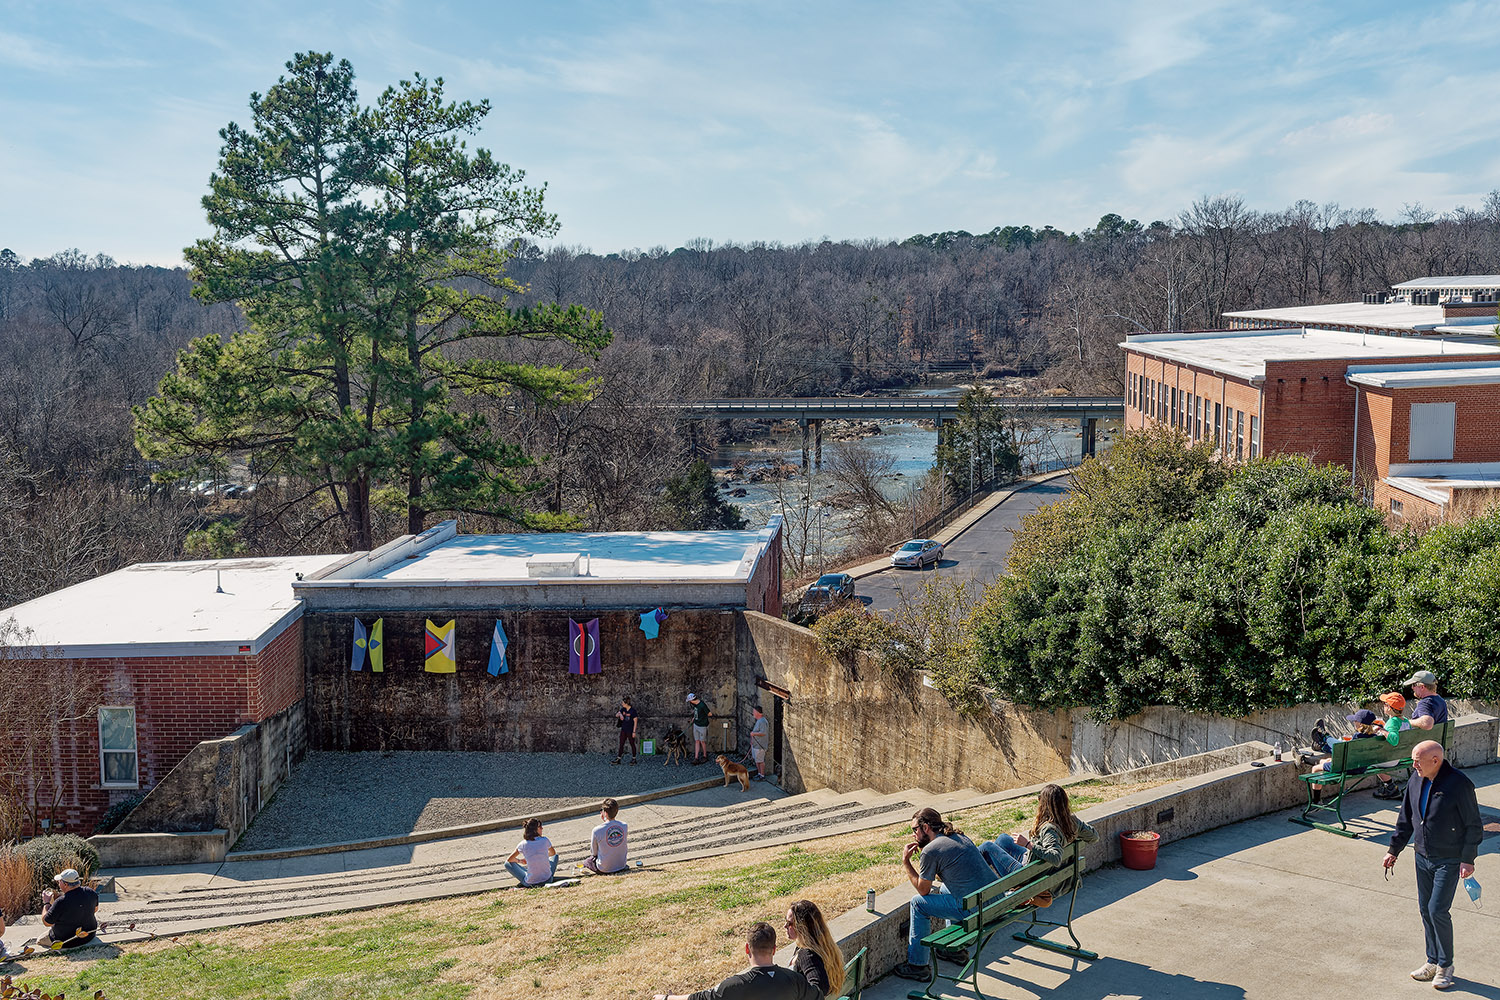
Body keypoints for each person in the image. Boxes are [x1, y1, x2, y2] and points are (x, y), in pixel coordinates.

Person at [1383, 741, 1482, 991]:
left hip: (1449, 859)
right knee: (1425, 910)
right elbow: (1406, 819)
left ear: (1435, 760)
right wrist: (1393, 850)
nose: (1413, 765)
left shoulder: (1459, 784)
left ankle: (1446, 966)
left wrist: (1468, 859)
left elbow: (1474, 824)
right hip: (1422, 856)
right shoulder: (1416, 780)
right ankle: (1432, 960)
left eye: (1418, 760)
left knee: (1438, 909)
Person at [893, 807, 999, 982]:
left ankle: (917, 966)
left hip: (977, 911)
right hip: (994, 903)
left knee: (917, 904)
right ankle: (954, 951)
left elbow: (923, 890)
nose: (914, 835)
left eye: (915, 830)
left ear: (926, 827)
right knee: (944, 889)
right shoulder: (959, 836)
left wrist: (906, 862)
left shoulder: (930, 850)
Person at [652, 921, 820, 1000]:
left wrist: (666, 998)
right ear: (774, 949)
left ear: (747, 949)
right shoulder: (795, 981)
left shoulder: (735, 985)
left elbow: (700, 998)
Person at [976, 783, 1100, 880]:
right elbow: (1094, 837)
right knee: (1003, 838)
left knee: (987, 847)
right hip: (1032, 863)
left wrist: (1027, 844)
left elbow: (1055, 857)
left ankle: (967, 872)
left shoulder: (1049, 829)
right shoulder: (1072, 821)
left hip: (1025, 874)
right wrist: (1071, 835)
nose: (1038, 800)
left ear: (1045, 804)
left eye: (1040, 798)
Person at [785, 899, 845, 998]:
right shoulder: (824, 947)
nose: (785, 926)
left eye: (789, 923)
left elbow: (820, 987)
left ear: (802, 927)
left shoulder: (807, 955)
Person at [37, 869, 98, 949]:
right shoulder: (91, 892)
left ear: (65, 884)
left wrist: (47, 903)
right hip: (89, 935)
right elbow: (95, 909)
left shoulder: (61, 902)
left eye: (60, 881)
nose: (58, 883)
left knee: (40, 940)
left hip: (66, 941)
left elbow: (47, 922)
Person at [1371, 692, 1414, 800]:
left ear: (1389, 708)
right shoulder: (1405, 721)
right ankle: (1390, 787)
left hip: (1390, 759)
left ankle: (1390, 787)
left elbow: (1394, 740)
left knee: (1370, 760)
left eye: (1385, 704)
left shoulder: (1393, 722)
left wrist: (1381, 730)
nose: (1383, 705)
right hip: (1399, 756)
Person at [505, 818, 558, 887]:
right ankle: (537, 872)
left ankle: (531, 873)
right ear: (535, 830)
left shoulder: (523, 844)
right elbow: (553, 853)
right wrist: (542, 856)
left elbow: (510, 859)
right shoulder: (545, 840)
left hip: (531, 883)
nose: (542, 828)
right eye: (540, 827)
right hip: (547, 880)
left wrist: (520, 861)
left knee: (507, 864)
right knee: (555, 856)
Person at [585, 797, 629, 874]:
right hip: (621, 864)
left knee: (587, 861)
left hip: (604, 868)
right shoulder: (624, 826)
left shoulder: (597, 830)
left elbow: (593, 853)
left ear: (605, 813)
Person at [613, 696, 640, 765]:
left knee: (632, 744)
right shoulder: (623, 709)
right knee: (621, 744)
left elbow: (635, 722)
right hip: (623, 729)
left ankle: (634, 759)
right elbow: (616, 715)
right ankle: (619, 758)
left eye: (623, 702)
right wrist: (620, 714)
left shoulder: (633, 711)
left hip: (630, 730)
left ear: (626, 703)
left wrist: (634, 732)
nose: (622, 704)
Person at [688, 693, 713, 764]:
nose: (690, 703)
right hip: (696, 724)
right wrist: (694, 718)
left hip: (702, 726)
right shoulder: (695, 705)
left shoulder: (702, 705)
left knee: (702, 741)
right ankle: (696, 758)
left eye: (690, 701)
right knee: (697, 741)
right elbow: (696, 712)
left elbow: (709, 714)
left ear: (692, 700)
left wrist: (703, 717)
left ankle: (705, 756)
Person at [749, 705, 770, 781]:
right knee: (757, 761)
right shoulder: (759, 721)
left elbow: (763, 733)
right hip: (756, 745)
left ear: (758, 712)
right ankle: (759, 774)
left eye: (754, 712)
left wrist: (754, 734)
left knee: (760, 761)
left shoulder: (762, 721)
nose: (753, 713)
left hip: (760, 746)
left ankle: (762, 775)